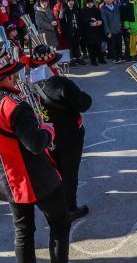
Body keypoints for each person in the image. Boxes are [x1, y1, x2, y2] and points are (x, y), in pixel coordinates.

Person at [0, 45, 89, 263]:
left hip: (5, 178)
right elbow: (36, 143)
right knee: (59, 224)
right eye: (13, 74)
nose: (16, 77)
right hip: (34, 177)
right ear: (7, 77)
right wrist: (47, 129)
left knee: (23, 231)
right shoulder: (13, 105)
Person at [30, 45, 93, 222]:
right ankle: (70, 208)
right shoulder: (61, 84)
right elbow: (84, 104)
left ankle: (58, 205)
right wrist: (83, 94)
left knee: (56, 170)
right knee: (69, 172)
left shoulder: (32, 82)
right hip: (69, 134)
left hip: (48, 133)